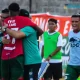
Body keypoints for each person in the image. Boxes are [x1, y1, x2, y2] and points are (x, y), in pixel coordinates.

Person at [1, 3, 43, 80]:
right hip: (25, 59)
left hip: (32, 60)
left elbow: (16, 35)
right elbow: (40, 31)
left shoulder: (28, 28)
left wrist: (5, 29)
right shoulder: (26, 26)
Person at [65, 14, 80, 80]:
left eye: (76, 21)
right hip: (71, 64)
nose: (74, 23)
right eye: (72, 21)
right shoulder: (70, 33)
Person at [0, 8, 9, 79]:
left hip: (8, 58)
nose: (2, 19)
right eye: (1, 17)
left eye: (5, 17)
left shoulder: (13, 28)